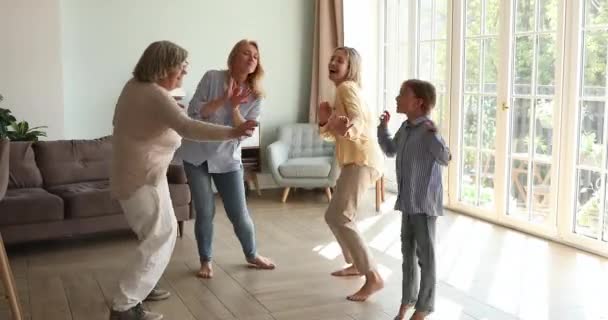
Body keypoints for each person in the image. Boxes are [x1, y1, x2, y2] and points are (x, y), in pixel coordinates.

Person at [109, 40, 257, 320]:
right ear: (164, 67)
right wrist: (232, 132)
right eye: (181, 67)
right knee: (161, 237)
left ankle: (141, 289)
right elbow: (188, 126)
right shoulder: (154, 95)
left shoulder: (134, 87)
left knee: (152, 236)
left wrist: (166, 111)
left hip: (138, 174)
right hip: (142, 178)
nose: (184, 73)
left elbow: (133, 121)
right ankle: (125, 305)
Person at [175, 39, 275, 279]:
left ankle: (252, 255)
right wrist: (223, 100)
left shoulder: (256, 95)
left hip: (227, 157)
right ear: (234, 56)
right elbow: (194, 113)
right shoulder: (212, 78)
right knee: (205, 210)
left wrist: (234, 107)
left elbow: (245, 131)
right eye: (246, 53)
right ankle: (205, 261)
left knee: (238, 213)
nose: (252, 58)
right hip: (196, 155)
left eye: (255, 56)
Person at [376, 79, 451, 320]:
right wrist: (382, 127)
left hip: (424, 204)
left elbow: (445, 158)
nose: (397, 98)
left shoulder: (428, 130)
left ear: (418, 102)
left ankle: (424, 306)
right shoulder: (406, 128)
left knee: (425, 257)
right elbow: (390, 150)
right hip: (407, 202)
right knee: (407, 254)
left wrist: (436, 134)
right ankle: (407, 301)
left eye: (402, 94)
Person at [317, 46, 385, 302]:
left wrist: (345, 127)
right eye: (332, 58)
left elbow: (356, 121)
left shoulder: (347, 89)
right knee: (335, 216)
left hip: (361, 160)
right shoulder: (341, 91)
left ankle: (373, 277)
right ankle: (357, 264)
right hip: (357, 161)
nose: (333, 62)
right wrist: (326, 120)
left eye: (340, 60)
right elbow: (331, 133)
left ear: (350, 67)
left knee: (340, 216)